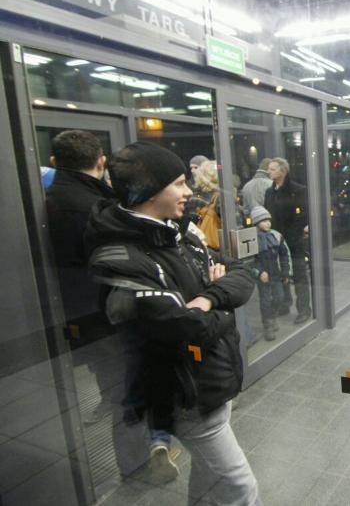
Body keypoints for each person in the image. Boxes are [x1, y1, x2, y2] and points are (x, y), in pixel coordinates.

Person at [85, 142, 261, 504]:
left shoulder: (176, 231)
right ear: (149, 191)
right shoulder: (119, 257)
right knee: (240, 487)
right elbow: (184, 328)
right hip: (185, 395)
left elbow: (242, 272)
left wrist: (210, 296)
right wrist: (224, 307)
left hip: (211, 380)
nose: (188, 191)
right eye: (179, 183)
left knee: (209, 477)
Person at [45, 130, 117, 424]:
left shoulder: (42, 201)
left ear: (53, 161)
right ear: (101, 162)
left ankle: (108, 400)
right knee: (123, 375)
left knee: (103, 367)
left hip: (70, 308)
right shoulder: (100, 208)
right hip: (106, 307)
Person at [264, 157, 311, 325]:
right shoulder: (270, 192)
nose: (268, 171)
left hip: (293, 241)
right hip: (276, 242)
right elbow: (268, 215)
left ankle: (304, 309)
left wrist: (288, 236)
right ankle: (285, 304)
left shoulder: (298, 190)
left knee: (299, 275)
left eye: (272, 169)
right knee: (280, 273)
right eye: (268, 169)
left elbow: (302, 216)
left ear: (282, 171)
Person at [250, 205, 292, 341]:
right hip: (263, 277)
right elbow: (249, 261)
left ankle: (272, 317)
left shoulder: (276, 235)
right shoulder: (252, 239)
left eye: (268, 220)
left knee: (279, 297)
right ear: (256, 223)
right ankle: (267, 324)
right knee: (266, 301)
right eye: (263, 220)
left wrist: (285, 273)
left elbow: (284, 255)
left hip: (276, 274)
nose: (267, 223)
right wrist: (259, 272)